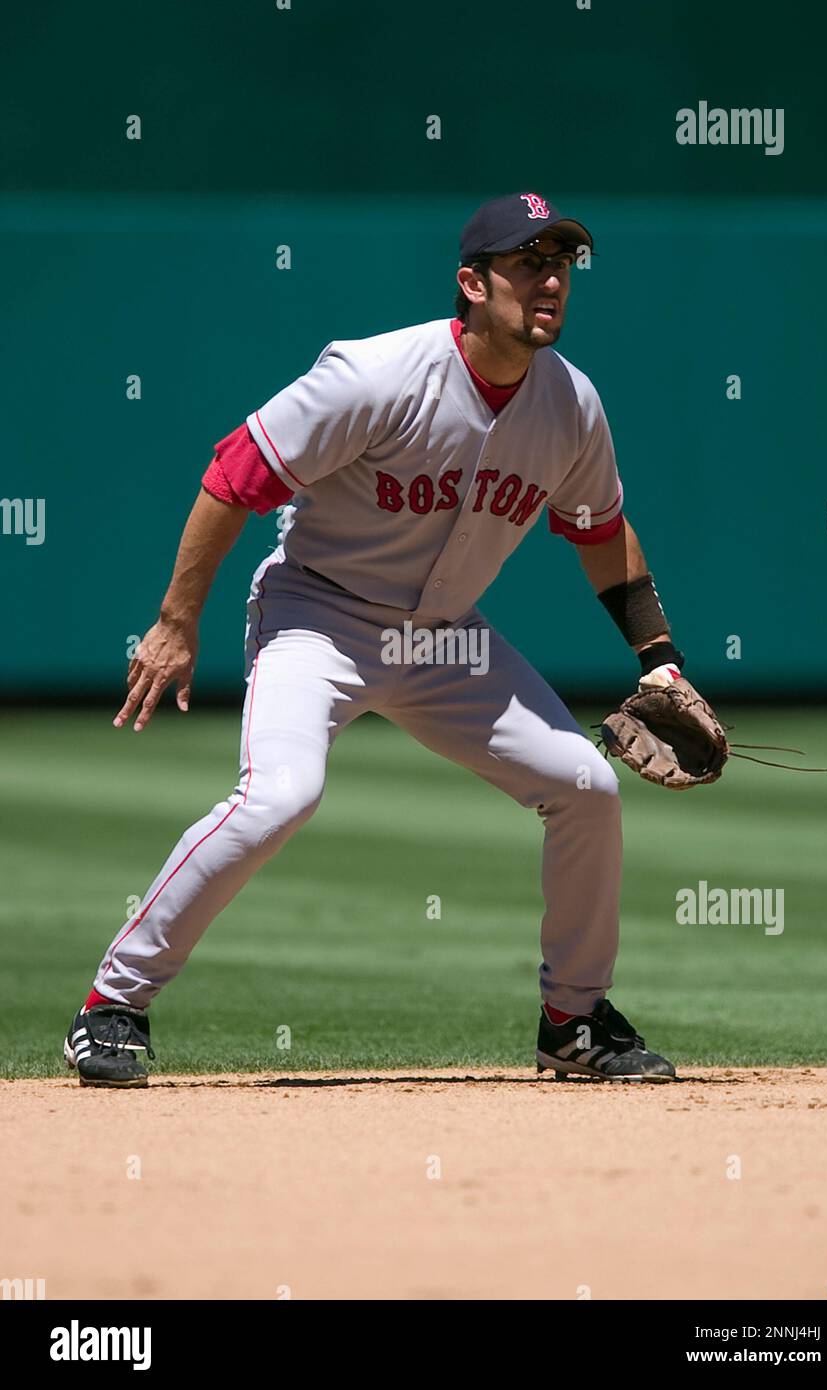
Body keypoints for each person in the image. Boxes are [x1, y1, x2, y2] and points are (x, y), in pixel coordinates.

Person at [65, 191, 687, 1089]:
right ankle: (111, 1004)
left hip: (446, 643)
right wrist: (174, 621)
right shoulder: (375, 375)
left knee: (586, 786)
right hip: (317, 618)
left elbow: (598, 530)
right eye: (527, 262)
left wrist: (658, 658)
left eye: (562, 262)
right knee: (281, 795)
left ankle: (575, 1022)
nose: (550, 279)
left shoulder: (570, 405)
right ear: (471, 283)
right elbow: (234, 472)